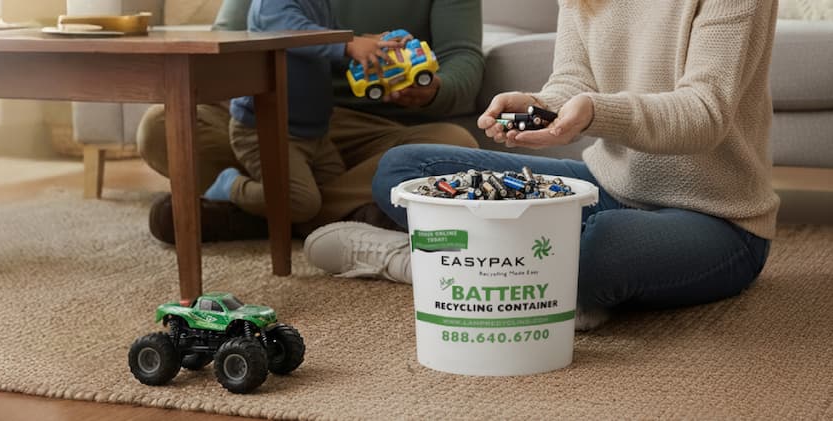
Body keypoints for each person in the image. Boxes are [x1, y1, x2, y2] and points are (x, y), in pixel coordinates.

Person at [305, 0, 779, 330]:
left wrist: (594, 110)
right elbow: (572, 79)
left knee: (598, 250)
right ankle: (524, 281)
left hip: (717, 218)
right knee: (404, 169)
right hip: (609, 184)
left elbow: (705, 113)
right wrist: (538, 103)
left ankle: (416, 262)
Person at [140, 0, 484, 244]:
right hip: (276, 113)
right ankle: (333, 214)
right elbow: (222, 43)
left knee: (456, 147)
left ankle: (260, 213)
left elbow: (463, 56)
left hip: (377, 129)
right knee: (164, 126)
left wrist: (436, 90)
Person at [201, 0, 399, 226]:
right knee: (302, 203)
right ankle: (230, 185)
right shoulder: (269, 5)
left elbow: (329, 38)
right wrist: (349, 44)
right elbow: (292, 31)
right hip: (267, 130)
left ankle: (277, 216)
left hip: (315, 133)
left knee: (335, 195)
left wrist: (369, 44)